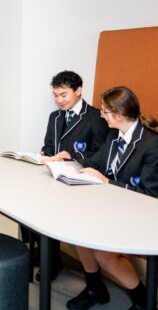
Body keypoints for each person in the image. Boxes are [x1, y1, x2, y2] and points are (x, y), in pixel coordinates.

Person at [67, 86, 158, 310]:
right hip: (121, 207)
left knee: (103, 253)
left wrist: (107, 182)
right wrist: (66, 162)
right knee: (78, 232)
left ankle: (143, 303)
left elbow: (152, 196)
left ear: (119, 114)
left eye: (106, 112)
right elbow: (95, 163)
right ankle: (95, 288)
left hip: (156, 213)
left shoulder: (153, 144)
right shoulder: (115, 135)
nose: (102, 116)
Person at [26, 70, 110, 282]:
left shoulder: (95, 118)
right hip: (55, 176)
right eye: (55, 95)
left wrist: (71, 155)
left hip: (80, 181)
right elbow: (48, 146)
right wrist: (44, 155)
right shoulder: (54, 117)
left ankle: (52, 262)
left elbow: (100, 156)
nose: (59, 100)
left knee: (51, 210)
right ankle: (44, 253)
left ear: (79, 91)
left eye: (63, 94)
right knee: (27, 202)